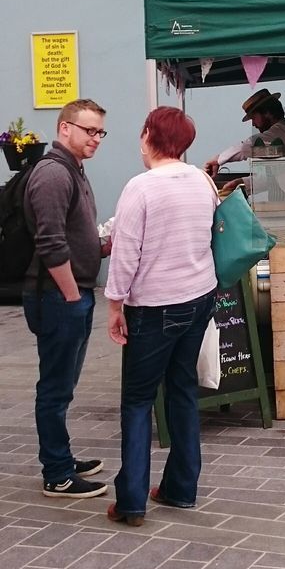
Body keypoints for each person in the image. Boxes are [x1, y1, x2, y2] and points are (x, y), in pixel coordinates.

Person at [106, 107, 217, 526]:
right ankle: (180, 488)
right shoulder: (201, 181)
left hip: (154, 306)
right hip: (199, 295)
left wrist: (114, 305)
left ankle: (132, 500)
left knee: (137, 400)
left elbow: (125, 252)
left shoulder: (141, 187)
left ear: (148, 134)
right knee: (182, 389)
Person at [23, 98, 109, 498]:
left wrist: (101, 245)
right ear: (65, 129)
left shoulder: (74, 170)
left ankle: (60, 455)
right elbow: (51, 243)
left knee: (64, 386)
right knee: (55, 388)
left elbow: (73, 235)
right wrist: (74, 297)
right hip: (59, 298)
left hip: (72, 295)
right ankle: (56, 472)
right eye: (89, 130)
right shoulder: (53, 175)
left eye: (100, 132)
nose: (96, 139)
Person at [204, 89, 285, 177]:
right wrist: (242, 181)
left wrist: (218, 159)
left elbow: (246, 147)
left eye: (254, 117)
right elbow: (278, 176)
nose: (253, 124)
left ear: (267, 113)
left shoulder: (281, 132)